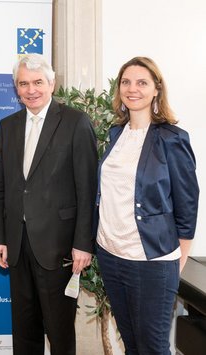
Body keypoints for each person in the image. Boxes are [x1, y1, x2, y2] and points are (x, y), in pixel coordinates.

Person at [0, 53, 98, 354]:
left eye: (38, 82)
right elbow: (1, 187)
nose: (31, 89)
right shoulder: (8, 126)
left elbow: (87, 189)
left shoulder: (76, 122)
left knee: (60, 332)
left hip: (59, 247)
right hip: (18, 244)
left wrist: (83, 243)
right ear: (16, 88)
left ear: (52, 83)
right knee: (24, 330)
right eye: (23, 83)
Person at [95, 56, 199, 354]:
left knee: (152, 348)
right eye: (126, 82)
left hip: (151, 261)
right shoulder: (117, 134)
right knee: (131, 344)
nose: (132, 89)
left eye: (142, 82)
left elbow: (187, 203)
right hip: (111, 256)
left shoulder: (172, 138)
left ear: (156, 89)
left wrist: (178, 260)